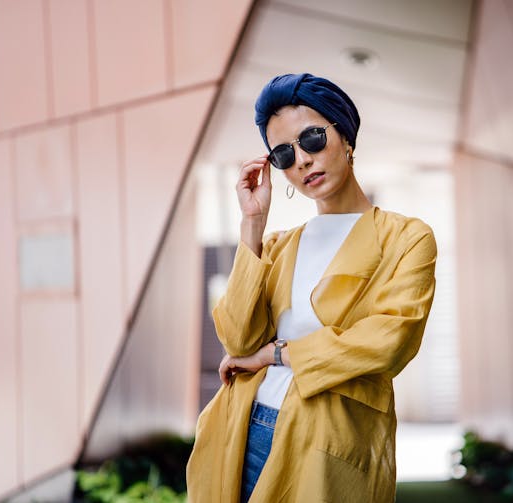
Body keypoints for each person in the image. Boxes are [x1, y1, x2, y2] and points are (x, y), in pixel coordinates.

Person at [186, 73, 437, 502]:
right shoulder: (278, 245)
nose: (301, 160)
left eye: (312, 139)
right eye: (284, 153)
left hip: (328, 442)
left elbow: (388, 342)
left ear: (345, 137)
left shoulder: (406, 237)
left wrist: (276, 354)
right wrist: (252, 223)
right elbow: (236, 337)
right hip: (244, 429)